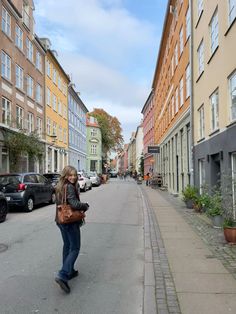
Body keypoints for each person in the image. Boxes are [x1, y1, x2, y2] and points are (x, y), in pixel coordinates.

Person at [55, 165, 89, 294]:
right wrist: (85, 206)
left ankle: (69, 270)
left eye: (75, 175)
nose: (73, 177)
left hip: (60, 220)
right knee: (75, 248)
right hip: (69, 221)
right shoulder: (69, 187)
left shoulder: (59, 186)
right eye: (70, 175)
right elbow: (74, 204)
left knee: (67, 245)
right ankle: (63, 275)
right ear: (65, 175)